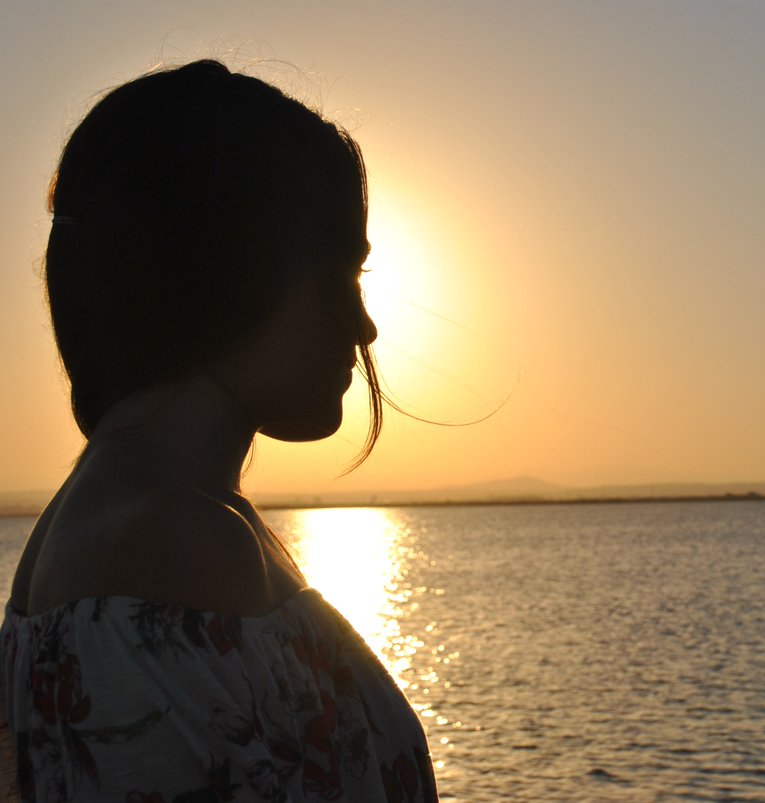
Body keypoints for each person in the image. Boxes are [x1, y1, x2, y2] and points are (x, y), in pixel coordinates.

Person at [0, 61, 438, 800]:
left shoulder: (142, 513)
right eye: (345, 277)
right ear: (236, 268)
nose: (364, 325)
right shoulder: (163, 541)